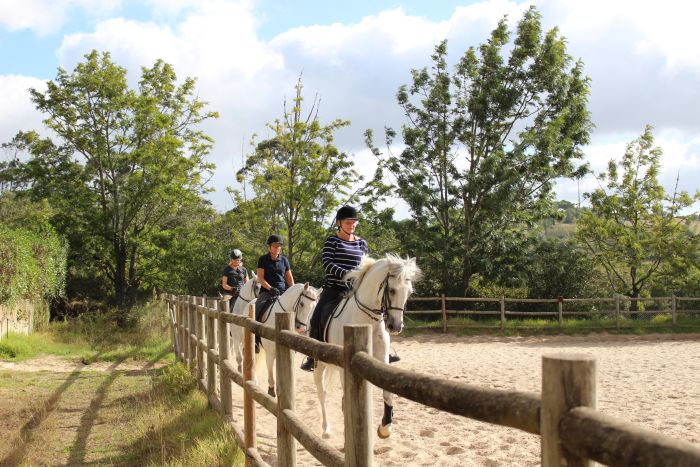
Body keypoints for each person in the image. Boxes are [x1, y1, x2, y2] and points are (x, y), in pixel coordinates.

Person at [301, 206, 369, 371]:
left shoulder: (362, 243)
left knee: (377, 311)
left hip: (356, 289)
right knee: (316, 318)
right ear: (339, 223)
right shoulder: (332, 241)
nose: (352, 225)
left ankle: (386, 350)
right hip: (335, 288)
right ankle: (313, 356)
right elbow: (327, 264)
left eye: (354, 222)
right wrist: (346, 274)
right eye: (348, 222)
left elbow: (366, 265)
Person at [254, 234, 294, 352]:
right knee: (258, 309)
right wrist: (270, 288)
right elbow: (260, 278)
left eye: (279, 246)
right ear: (269, 247)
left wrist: (292, 290)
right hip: (267, 292)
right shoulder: (263, 259)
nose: (277, 248)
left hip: (283, 291)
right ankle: (256, 340)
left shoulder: (284, 260)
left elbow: (289, 279)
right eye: (275, 246)